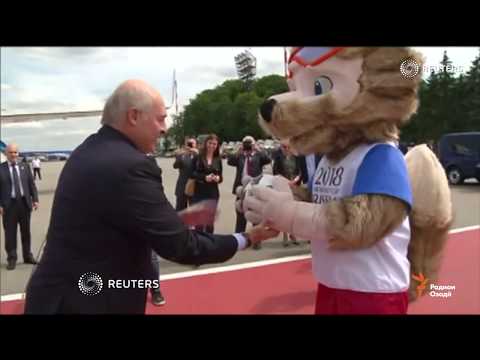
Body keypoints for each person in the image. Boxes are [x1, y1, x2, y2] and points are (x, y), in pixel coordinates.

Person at [24, 79, 277, 314]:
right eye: (160, 119)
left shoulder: (90, 148)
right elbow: (181, 247)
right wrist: (246, 237)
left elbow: (112, 220)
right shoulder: (131, 165)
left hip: (59, 296)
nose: (165, 129)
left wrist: (173, 219)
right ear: (134, 116)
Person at [0, 144, 39, 270]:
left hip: (24, 204)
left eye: (15, 152)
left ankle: (27, 256)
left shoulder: (25, 167)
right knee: (10, 234)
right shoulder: (1, 168)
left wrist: (35, 199)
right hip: (8, 206)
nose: (13, 155)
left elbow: (31, 184)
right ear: (6, 153)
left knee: (26, 232)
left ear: (18, 153)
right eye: (11, 152)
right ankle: (12, 258)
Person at [227, 136, 271, 249]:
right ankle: (238, 240)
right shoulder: (240, 156)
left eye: (249, 143)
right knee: (240, 214)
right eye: (245, 143)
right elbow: (229, 161)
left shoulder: (258, 156)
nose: (247, 145)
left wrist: (257, 148)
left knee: (255, 215)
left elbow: (268, 159)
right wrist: (239, 150)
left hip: (254, 188)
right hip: (241, 188)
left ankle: (256, 240)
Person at [272, 141, 303, 247]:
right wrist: (284, 181)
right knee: (284, 212)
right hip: (283, 186)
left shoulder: (296, 157)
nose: (285, 149)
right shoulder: (278, 157)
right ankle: (285, 236)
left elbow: (300, 171)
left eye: (287, 147)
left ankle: (293, 234)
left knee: (294, 212)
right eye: (283, 147)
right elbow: (275, 171)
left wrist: (296, 180)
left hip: (294, 185)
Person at [190, 134, 222, 233]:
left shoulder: (218, 159)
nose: (212, 146)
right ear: (206, 143)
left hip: (213, 193)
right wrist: (204, 178)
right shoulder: (198, 156)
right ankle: (199, 243)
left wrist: (218, 178)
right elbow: (191, 173)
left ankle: (209, 243)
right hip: (199, 193)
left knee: (209, 222)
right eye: (210, 143)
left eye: (214, 144)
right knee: (199, 222)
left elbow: (221, 176)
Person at [173, 137, 198, 211]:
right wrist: (181, 155)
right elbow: (175, 166)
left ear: (196, 145)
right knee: (180, 210)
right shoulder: (181, 155)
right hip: (182, 186)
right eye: (188, 143)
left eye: (192, 143)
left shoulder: (199, 155)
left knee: (194, 211)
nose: (190, 145)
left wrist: (197, 154)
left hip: (195, 187)